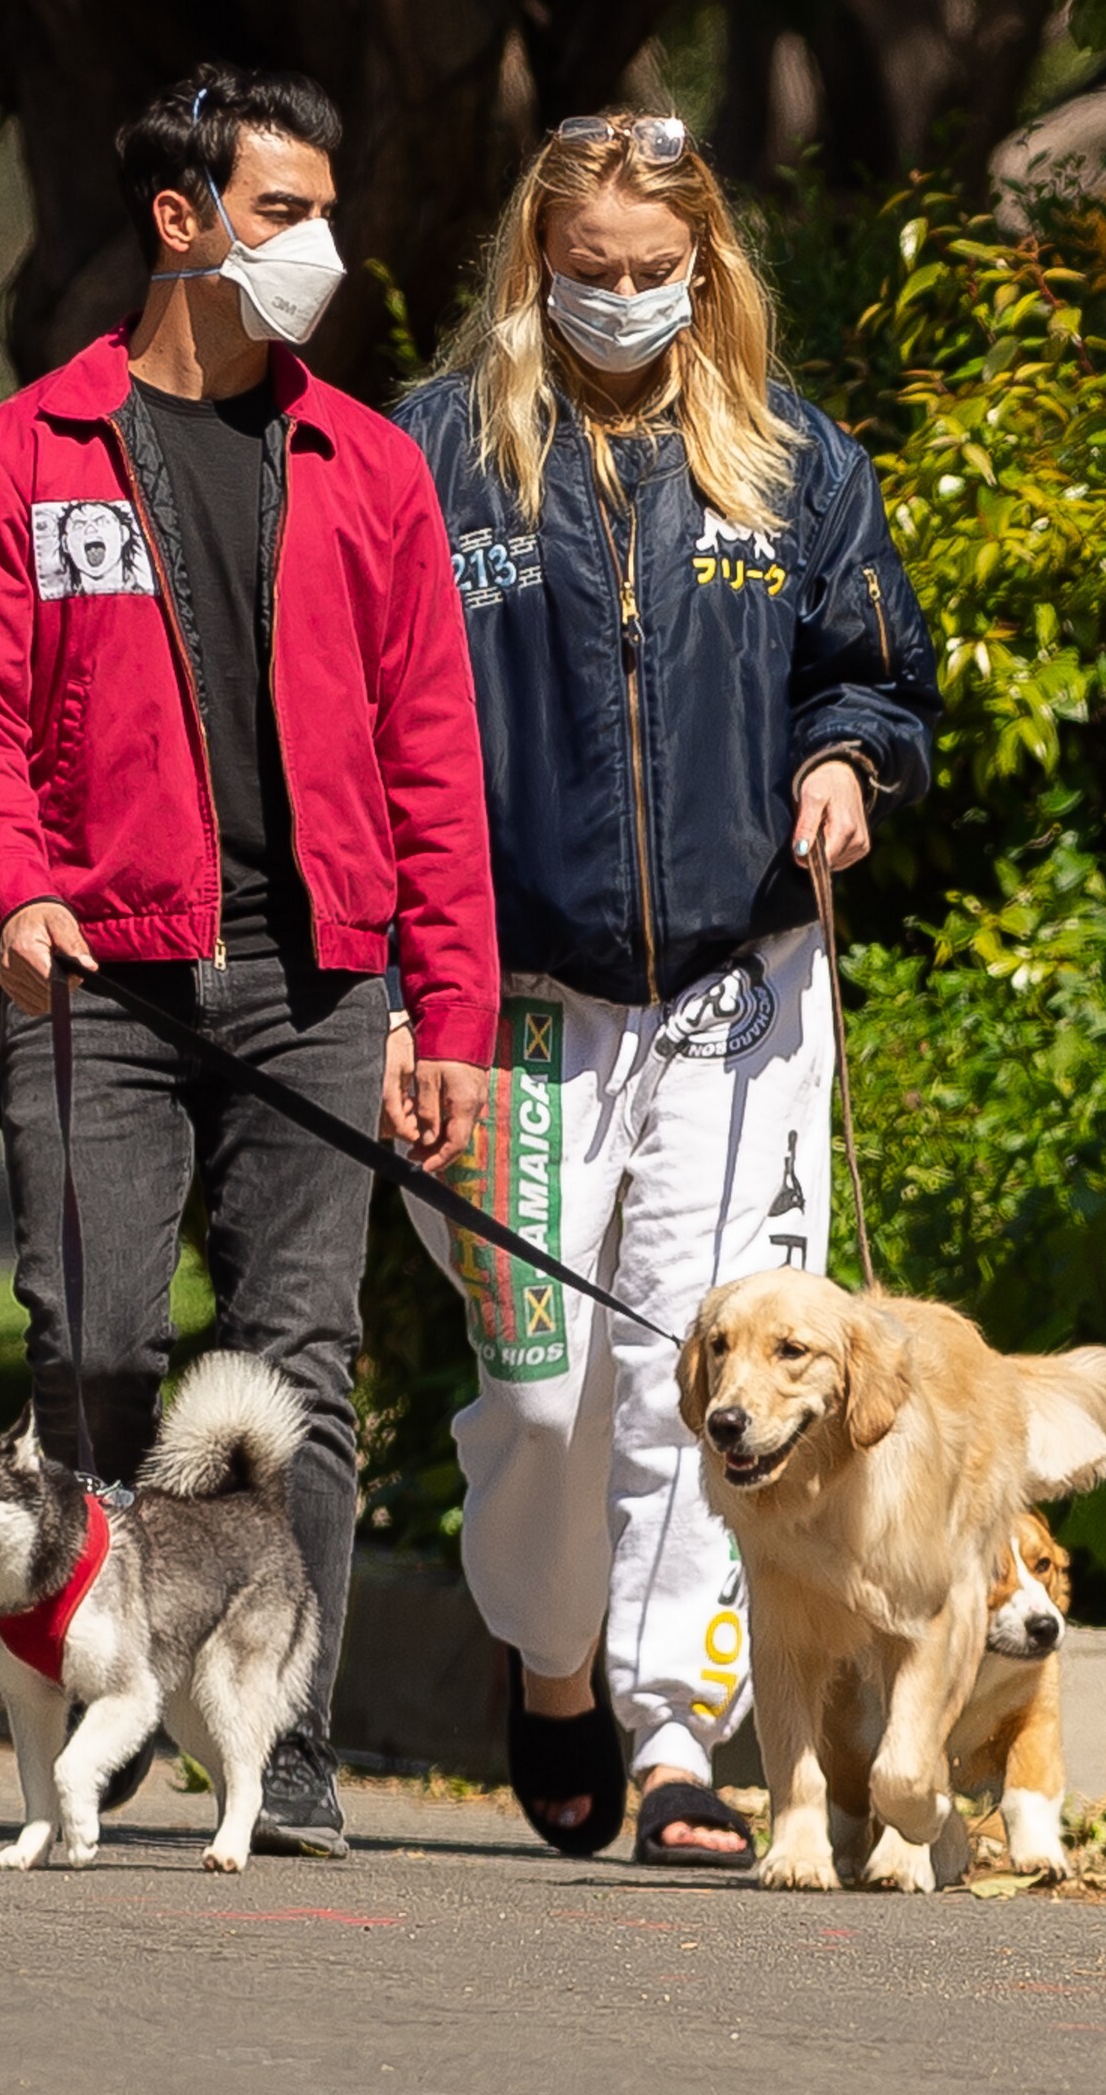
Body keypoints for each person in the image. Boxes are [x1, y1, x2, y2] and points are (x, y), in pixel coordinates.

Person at [0, 63, 498, 1857]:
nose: (321, 247)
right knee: (90, 1348)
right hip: (97, 981)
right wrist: (11, 887)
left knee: (298, 1363)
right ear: (181, 219)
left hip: (319, 984)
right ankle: (116, 1675)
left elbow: (433, 756)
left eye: (325, 212)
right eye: (281, 212)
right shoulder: (25, 458)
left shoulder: (368, 464)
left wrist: (448, 1012)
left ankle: (281, 1737)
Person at [391, 111, 939, 1865]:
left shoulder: (791, 454)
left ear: (706, 266)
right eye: (590, 271)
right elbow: (358, 713)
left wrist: (848, 759)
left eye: (654, 272)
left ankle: (675, 1738)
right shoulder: (434, 456)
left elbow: (871, 669)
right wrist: (400, 980)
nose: (622, 299)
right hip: (511, 997)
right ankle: (552, 1666)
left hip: (738, 984)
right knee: (541, 1383)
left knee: (695, 1376)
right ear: (532, 266)